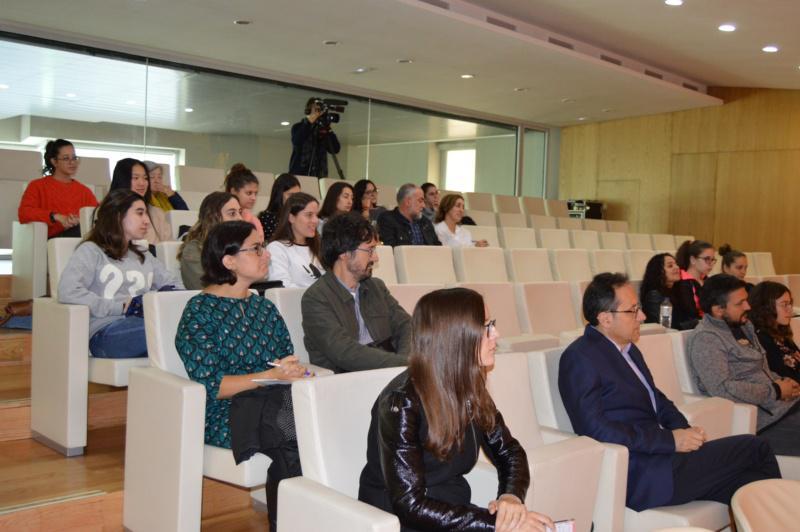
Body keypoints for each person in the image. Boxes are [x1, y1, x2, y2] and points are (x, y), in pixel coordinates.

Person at [559, 272, 781, 512]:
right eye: (633, 310)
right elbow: (594, 429)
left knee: (747, 485)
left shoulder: (628, 349)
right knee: (757, 448)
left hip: (665, 460)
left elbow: (656, 398)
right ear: (605, 318)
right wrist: (670, 440)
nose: (642, 317)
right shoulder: (580, 357)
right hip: (641, 472)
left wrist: (683, 430)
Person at [359, 287, 554, 532]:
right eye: (486, 327)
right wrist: (495, 525)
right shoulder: (402, 402)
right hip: (400, 521)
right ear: (456, 337)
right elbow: (410, 505)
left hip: (447, 509)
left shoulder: (468, 386)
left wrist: (510, 498)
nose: (497, 334)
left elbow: (509, 452)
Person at [175, 220, 308, 531]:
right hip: (227, 411)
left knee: (317, 420)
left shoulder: (264, 309)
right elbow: (213, 386)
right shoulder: (199, 312)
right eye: (257, 249)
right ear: (229, 260)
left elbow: (283, 361)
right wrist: (273, 375)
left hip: (274, 400)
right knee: (292, 434)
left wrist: (292, 371)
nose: (267, 255)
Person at [58, 189, 182, 358]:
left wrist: (163, 297)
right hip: (106, 332)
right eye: (140, 213)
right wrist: (121, 307)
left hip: (142, 324)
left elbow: (175, 285)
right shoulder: (91, 250)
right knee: (170, 329)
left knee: (183, 327)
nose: (147, 220)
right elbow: (68, 290)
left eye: (146, 214)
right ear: (117, 216)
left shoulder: (144, 255)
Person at [687, 274, 800, 456]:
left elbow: (761, 370)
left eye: (746, 300)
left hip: (787, 406)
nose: (748, 306)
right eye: (740, 303)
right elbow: (721, 389)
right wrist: (776, 390)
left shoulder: (744, 326)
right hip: (766, 423)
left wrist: (784, 382)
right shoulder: (706, 339)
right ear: (718, 310)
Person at [301, 212, 411, 372]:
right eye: (370, 250)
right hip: (348, 381)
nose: (376, 258)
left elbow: (406, 326)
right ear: (344, 253)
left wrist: (407, 362)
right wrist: (405, 364)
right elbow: (346, 354)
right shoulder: (316, 299)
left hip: (391, 372)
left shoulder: (376, 287)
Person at [18, 138, 98, 238]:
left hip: (81, 238)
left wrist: (79, 221)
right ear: (54, 162)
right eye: (66, 158)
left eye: (74, 158)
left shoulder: (84, 191)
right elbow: (24, 213)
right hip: (52, 240)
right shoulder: (37, 186)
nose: (72, 162)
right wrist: (55, 217)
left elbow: (96, 215)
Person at [178, 192, 242, 290]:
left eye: (240, 212)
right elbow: (206, 287)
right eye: (232, 213)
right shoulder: (193, 250)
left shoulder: (240, 247)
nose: (240, 218)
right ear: (213, 218)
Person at [266, 192, 325, 288]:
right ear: (291, 218)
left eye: (316, 215)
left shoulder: (319, 247)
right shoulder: (277, 248)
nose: (316, 220)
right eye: (309, 215)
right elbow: (283, 286)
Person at [109, 158, 172, 244]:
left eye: (145, 178)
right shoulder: (108, 211)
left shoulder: (157, 212)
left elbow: (169, 246)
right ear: (123, 180)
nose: (142, 183)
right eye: (136, 178)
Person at [750, 281, 800, 384]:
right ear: (766, 307)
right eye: (784, 305)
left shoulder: (780, 333)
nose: (790, 309)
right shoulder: (762, 339)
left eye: (790, 304)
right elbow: (785, 377)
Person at [288, 97, 341, 178]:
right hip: (300, 176)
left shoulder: (323, 131)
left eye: (321, 110)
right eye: (317, 110)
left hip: (319, 176)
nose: (319, 113)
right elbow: (297, 141)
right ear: (308, 110)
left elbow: (335, 149)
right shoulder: (298, 127)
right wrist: (310, 121)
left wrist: (328, 129)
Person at [377, 183, 441, 247]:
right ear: (408, 202)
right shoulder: (388, 220)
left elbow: (438, 247)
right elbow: (391, 250)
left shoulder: (425, 222)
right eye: (420, 201)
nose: (423, 205)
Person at [672, 239, 716, 330]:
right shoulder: (681, 283)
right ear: (693, 260)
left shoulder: (709, 281)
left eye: (713, 260)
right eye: (707, 259)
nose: (711, 264)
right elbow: (689, 315)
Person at [224, 163, 263, 241]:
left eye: (256, 193)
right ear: (233, 191)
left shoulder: (254, 221)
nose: (254, 198)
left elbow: (259, 248)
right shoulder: (220, 216)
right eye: (249, 193)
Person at [639, 253, 681, 324]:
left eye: (676, 264)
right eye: (670, 266)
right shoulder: (654, 295)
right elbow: (664, 325)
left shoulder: (676, 291)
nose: (677, 267)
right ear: (659, 271)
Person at [258, 173, 301, 241]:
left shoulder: (301, 215)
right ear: (279, 195)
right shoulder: (267, 217)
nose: (295, 199)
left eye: (298, 195)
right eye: (290, 195)